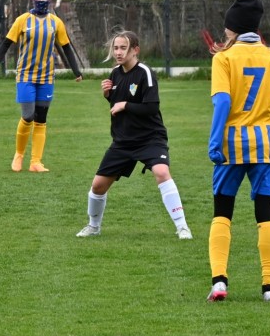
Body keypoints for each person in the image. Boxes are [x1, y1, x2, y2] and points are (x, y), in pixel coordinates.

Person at [206, 0, 270, 303]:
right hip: (264, 146)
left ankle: (219, 283)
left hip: (231, 146)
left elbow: (222, 102)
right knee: (266, 215)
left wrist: (214, 142)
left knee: (223, 213)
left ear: (233, 27)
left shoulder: (223, 59)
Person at [75, 31, 192, 240]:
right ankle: (93, 226)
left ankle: (182, 227)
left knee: (162, 172)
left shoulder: (145, 73)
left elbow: (151, 107)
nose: (118, 52)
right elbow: (116, 105)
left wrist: (125, 105)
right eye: (115, 48)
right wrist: (108, 95)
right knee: (98, 186)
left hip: (150, 138)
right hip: (123, 142)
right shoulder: (115, 73)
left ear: (135, 50)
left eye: (123, 48)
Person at [0, 0, 84, 173]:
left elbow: (66, 47)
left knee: (41, 119)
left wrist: (76, 71)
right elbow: (7, 42)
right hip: (25, 75)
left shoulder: (56, 22)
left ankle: (36, 162)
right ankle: (19, 155)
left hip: (46, 77)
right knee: (28, 116)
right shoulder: (23, 20)